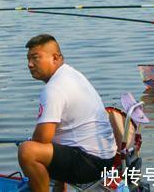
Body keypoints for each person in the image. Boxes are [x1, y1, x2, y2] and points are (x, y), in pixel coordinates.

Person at [18, 34, 116, 192]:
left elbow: (43, 138)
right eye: (28, 59)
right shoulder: (71, 74)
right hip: (106, 158)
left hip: (91, 163)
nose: (30, 64)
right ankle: (59, 188)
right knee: (54, 139)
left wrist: (29, 141)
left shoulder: (54, 89)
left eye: (36, 58)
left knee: (28, 151)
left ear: (55, 58)